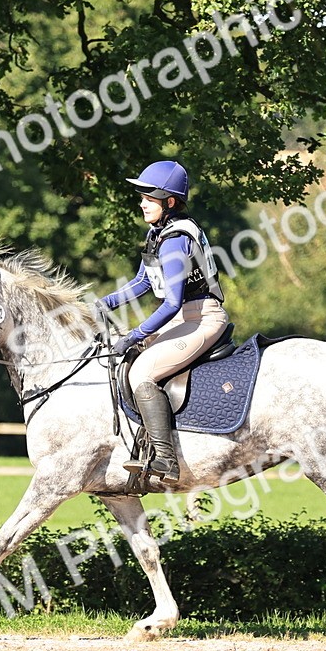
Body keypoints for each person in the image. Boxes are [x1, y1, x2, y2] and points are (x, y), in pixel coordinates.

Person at [96, 160, 229, 483]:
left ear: (170, 202)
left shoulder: (175, 239)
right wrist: (105, 303)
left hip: (201, 318)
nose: (142, 203)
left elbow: (170, 303)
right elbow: (143, 282)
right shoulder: (160, 233)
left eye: (149, 198)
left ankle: (166, 461)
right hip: (186, 317)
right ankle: (141, 447)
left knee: (142, 371)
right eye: (142, 197)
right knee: (128, 359)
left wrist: (136, 333)